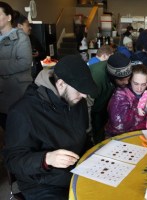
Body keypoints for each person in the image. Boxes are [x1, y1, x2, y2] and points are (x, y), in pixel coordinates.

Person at [3, 55, 99, 200]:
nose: (84, 95)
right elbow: (13, 161)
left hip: (76, 171)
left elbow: (85, 137)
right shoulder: (23, 112)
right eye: (79, 90)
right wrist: (47, 159)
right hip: (41, 183)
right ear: (61, 84)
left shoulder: (77, 101)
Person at [0, 2, 32, 130]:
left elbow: (24, 62)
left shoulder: (20, 37)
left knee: (15, 129)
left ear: (9, 17)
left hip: (16, 93)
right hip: (2, 93)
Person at [89, 52, 132, 143]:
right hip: (93, 107)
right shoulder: (96, 78)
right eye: (121, 80)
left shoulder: (121, 69)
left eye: (128, 78)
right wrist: (88, 132)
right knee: (97, 133)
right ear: (112, 77)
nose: (127, 82)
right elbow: (86, 108)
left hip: (106, 103)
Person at [105, 64, 147, 137]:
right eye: (136, 83)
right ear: (129, 81)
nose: (139, 88)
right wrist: (146, 108)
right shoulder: (120, 96)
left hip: (142, 134)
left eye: (143, 84)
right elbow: (120, 125)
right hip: (118, 138)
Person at [13, 11, 45, 78]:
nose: (30, 28)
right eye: (28, 25)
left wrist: (38, 54)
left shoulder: (33, 38)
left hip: (35, 76)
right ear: (19, 26)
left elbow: (44, 53)